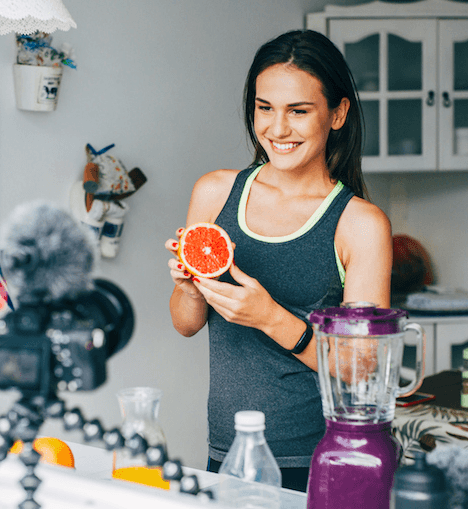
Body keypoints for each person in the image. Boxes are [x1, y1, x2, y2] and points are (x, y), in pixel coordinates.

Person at [165, 29, 392, 492]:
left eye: (298, 111)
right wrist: (188, 286)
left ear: (338, 113)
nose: (277, 128)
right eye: (264, 107)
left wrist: (270, 318)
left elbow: (359, 370)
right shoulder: (215, 192)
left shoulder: (360, 224)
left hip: (319, 460)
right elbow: (186, 323)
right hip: (224, 451)